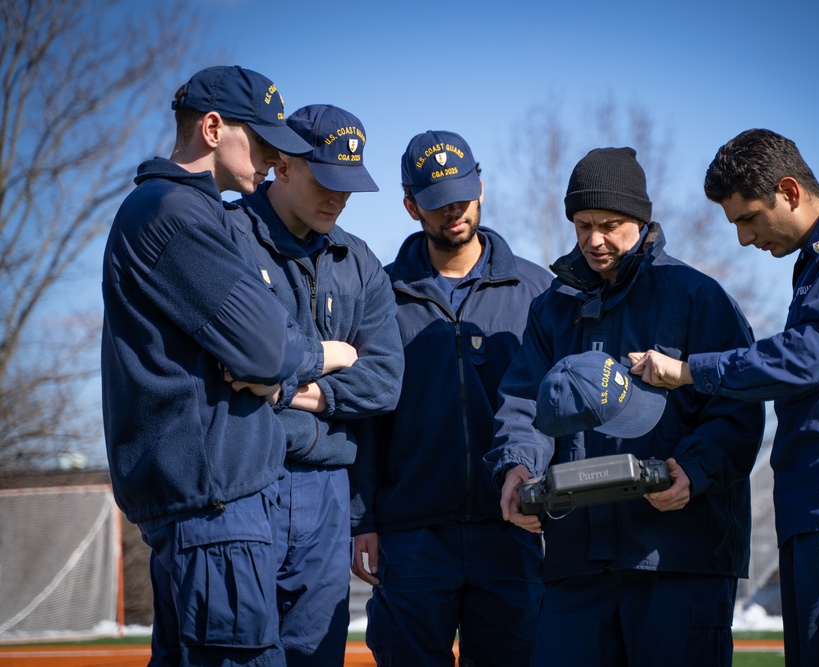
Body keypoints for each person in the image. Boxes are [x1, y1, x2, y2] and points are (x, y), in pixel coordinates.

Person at [628, 128, 819, 667]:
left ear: (790, 191)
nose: (744, 239)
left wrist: (687, 371)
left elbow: (811, 354)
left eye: (748, 218)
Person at [484, 146, 765, 667]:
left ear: (641, 218)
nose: (594, 239)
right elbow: (524, 404)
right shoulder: (552, 309)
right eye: (583, 224)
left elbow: (737, 409)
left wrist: (695, 471)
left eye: (610, 224)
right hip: (576, 566)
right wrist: (516, 468)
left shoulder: (698, 298)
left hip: (678, 560)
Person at [102, 65, 343, 666]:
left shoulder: (187, 211)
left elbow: (262, 344)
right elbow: (266, 346)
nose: (272, 160)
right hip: (214, 513)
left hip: (210, 511)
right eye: (261, 142)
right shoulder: (171, 213)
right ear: (213, 128)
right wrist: (325, 353)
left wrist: (271, 360)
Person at [350, 130, 551, 667]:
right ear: (411, 205)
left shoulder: (538, 291)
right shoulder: (379, 295)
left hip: (511, 531)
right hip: (411, 536)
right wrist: (361, 518)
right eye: (438, 204)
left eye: (463, 197)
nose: (455, 213)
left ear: (481, 185)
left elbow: (556, 411)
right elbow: (365, 420)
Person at [226, 104, 404, 666]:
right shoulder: (226, 237)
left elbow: (385, 381)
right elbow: (231, 366)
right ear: (282, 163)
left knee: (315, 652)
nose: (339, 198)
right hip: (243, 477)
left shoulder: (360, 261)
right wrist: (328, 361)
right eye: (326, 180)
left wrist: (288, 389)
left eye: (349, 186)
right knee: (239, 650)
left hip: (326, 485)